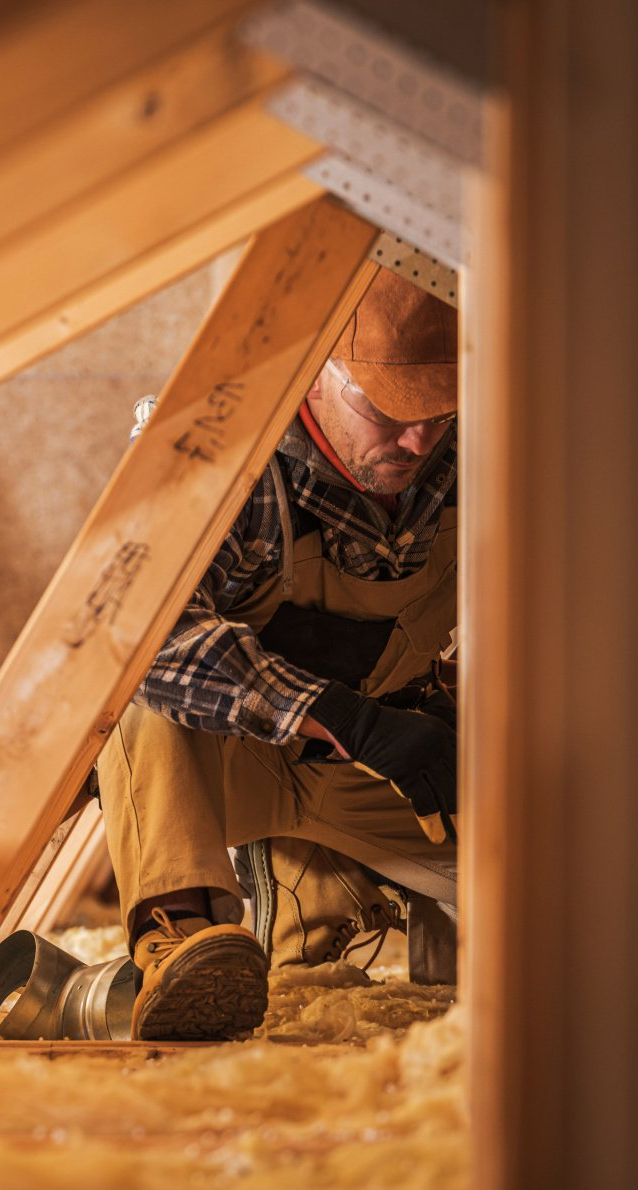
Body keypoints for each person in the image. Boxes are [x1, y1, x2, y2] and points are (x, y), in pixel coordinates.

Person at [96, 271, 461, 1040]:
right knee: (138, 687)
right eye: (388, 412)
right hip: (226, 764)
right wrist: (344, 718)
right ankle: (182, 935)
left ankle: (311, 885)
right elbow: (138, 631)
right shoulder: (218, 445)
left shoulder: (472, 454)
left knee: (567, 895)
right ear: (316, 371)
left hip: (381, 764)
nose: (417, 442)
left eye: (437, 413)